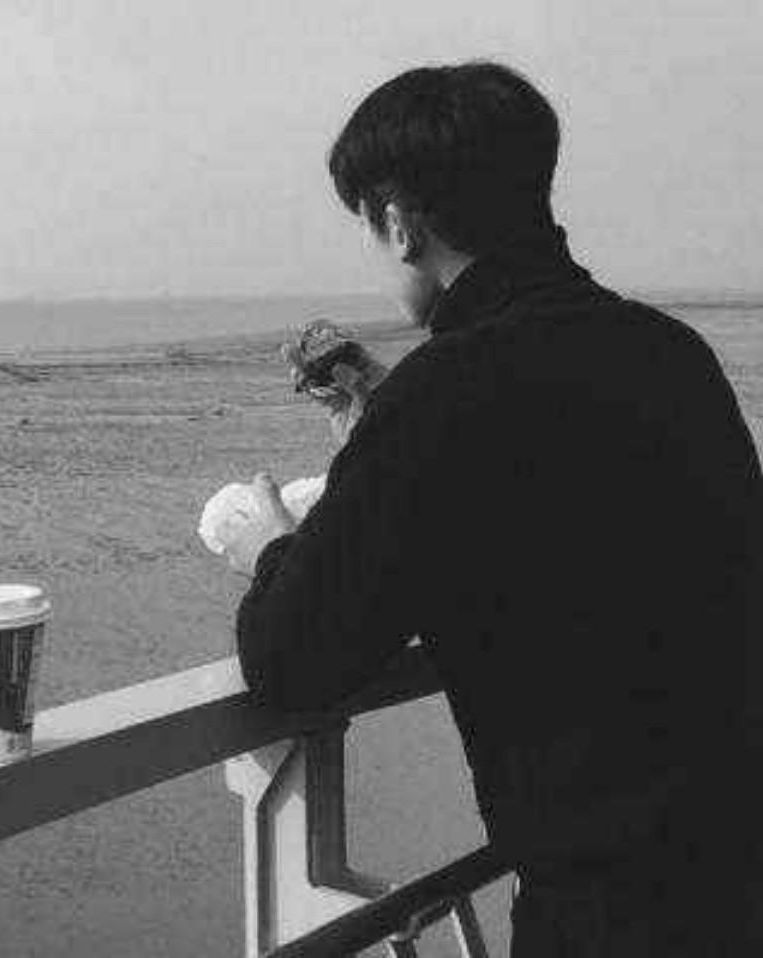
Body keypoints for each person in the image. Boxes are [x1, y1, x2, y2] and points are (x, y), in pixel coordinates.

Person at [218, 61, 763, 955]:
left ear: (400, 223)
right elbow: (567, 496)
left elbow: (293, 658)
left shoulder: (442, 398)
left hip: (608, 906)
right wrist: (383, 423)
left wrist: (272, 547)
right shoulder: (670, 353)